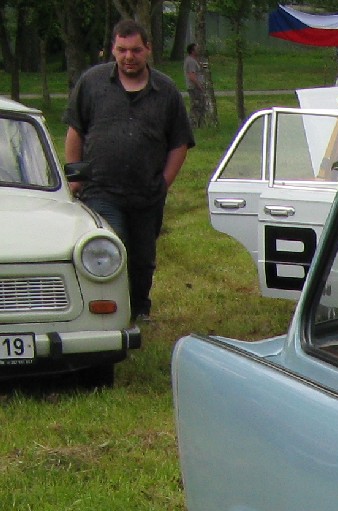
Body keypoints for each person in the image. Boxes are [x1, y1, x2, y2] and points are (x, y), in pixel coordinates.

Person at [62, 20, 192, 321]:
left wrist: (164, 183)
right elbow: (75, 131)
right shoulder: (92, 83)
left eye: (135, 50)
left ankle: (139, 308)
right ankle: (110, 309)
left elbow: (180, 143)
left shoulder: (166, 91)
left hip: (147, 193)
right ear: (113, 49)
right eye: (122, 50)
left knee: (143, 257)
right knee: (113, 246)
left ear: (148, 49)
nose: (128, 57)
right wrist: (75, 177)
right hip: (100, 189)